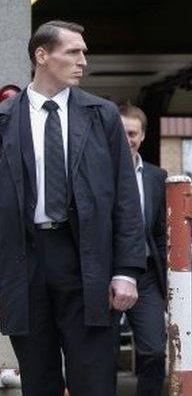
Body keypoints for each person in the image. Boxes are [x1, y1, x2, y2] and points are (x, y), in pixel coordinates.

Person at [0, 21, 145, 395]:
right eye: (73, 52)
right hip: (23, 262)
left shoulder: (103, 115)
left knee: (93, 381)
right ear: (42, 56)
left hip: (87, 262)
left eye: (84, 53)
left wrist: (126, 270)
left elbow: (125, 198)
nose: (83, 61)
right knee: (39, 381)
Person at [119, 103, 168, 396]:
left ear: (143, 136)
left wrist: (168, 286)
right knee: (97, 355)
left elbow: (161, 234)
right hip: (106, 273)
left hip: (146, 273)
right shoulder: (96, 172)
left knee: (154, 352)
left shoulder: (156, 177)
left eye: (132, 133)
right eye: (121, 132)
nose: (127, 139)